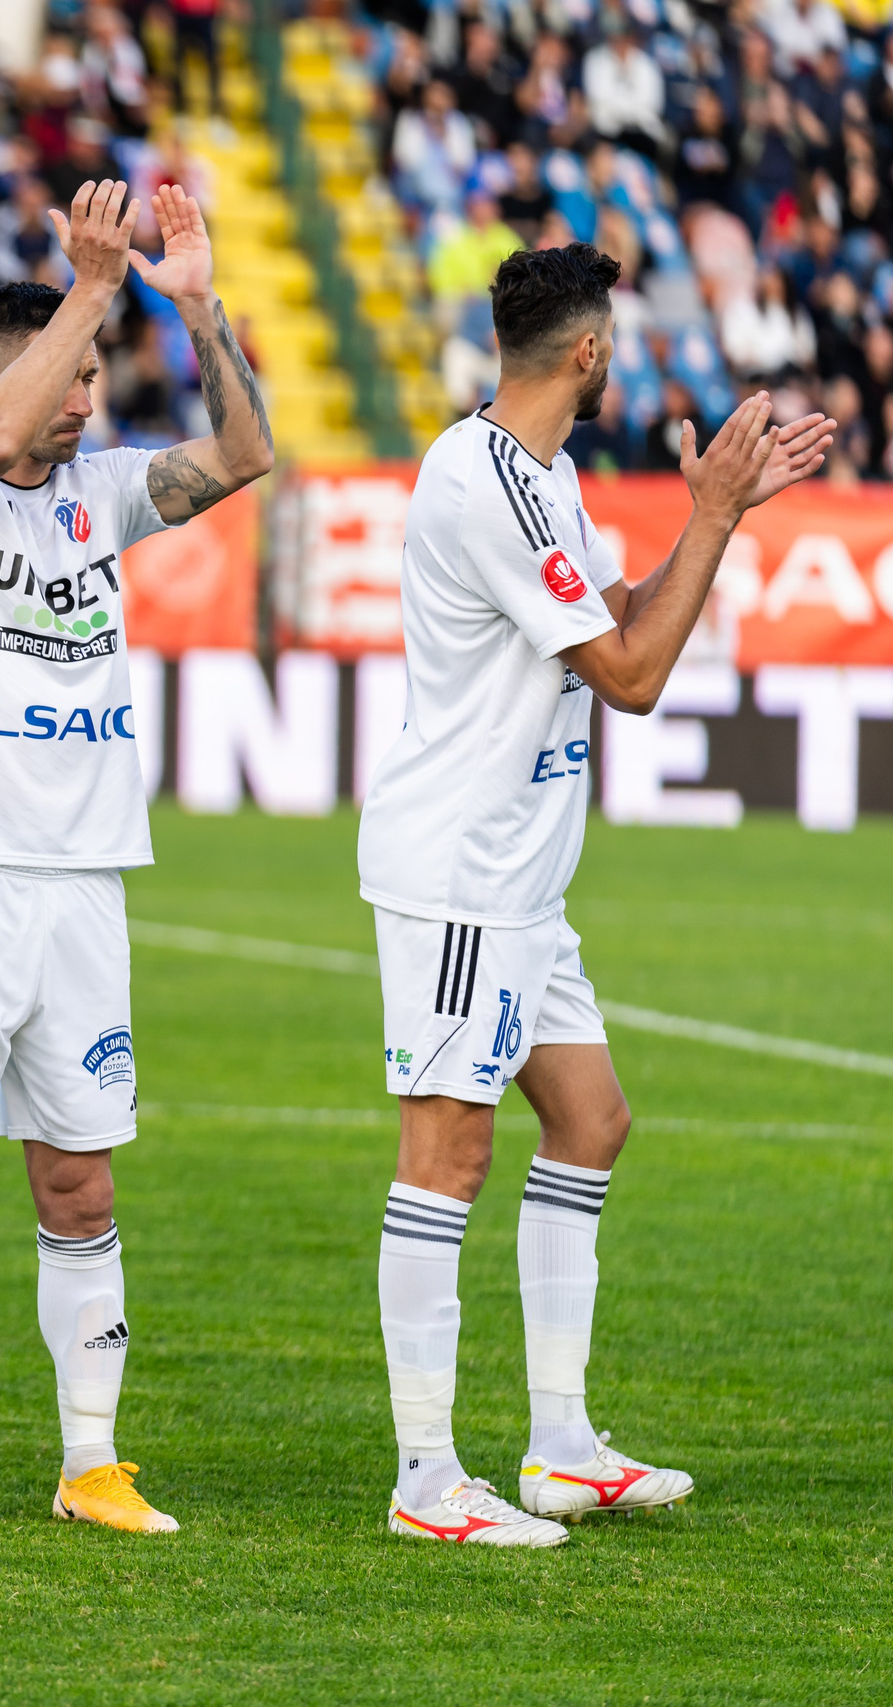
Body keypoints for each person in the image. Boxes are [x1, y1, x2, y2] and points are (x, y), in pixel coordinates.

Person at [0, 181, 275, 1537]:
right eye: (67, 373)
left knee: (81, 1180)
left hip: (84, 887)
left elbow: (244, 454)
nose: (88, 394)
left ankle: (91, 1461)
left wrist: (186, 301)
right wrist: (89, 285)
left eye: (95, 372)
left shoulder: (105, 494)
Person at [357, 244, 832, 1547]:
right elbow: (628, 674)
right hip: (461, 870)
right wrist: (719, 516)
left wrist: (706, 520)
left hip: (521, 874)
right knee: (447, 1149)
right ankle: (424, 1476)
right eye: (611, 339)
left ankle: (561, 1444)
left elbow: (605, 618)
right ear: (584, 352)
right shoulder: (483, 477)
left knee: (592, 1116)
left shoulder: (546, 476)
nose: (618, 355)